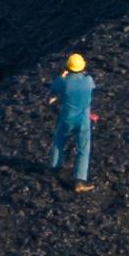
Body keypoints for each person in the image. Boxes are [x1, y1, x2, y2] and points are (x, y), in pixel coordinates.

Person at [52, 52, 95, 190]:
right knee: (83, 149)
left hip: (68, 118)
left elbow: (54, 87)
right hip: (84, 119)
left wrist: (62, 76)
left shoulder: (65, 82)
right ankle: (80, 181)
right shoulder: (88, 81)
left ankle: (55, 167)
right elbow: (90, 86)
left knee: (59, 141)